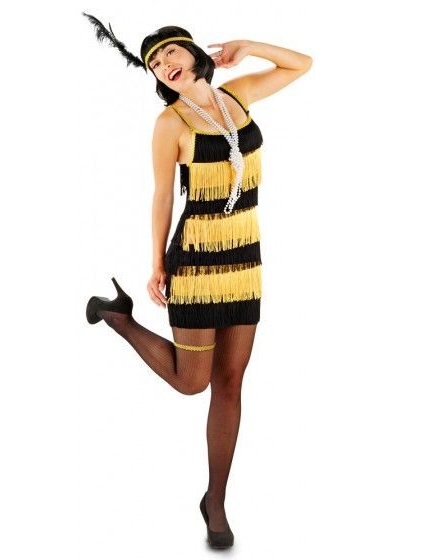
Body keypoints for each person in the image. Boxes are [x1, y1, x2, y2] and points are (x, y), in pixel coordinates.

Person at [82, 13, 312, 549]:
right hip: (196, 260)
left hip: (245, 258)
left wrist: (248, 44)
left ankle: (216, 501)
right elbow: (163, 195)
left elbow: (302, 64)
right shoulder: (170, 124)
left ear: (193, 54)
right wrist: (156, 263)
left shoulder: (238, 97)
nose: (164, 65)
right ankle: (118, 318)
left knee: (230, 383)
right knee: (193, 382)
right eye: (154, 64)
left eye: (170, 53)